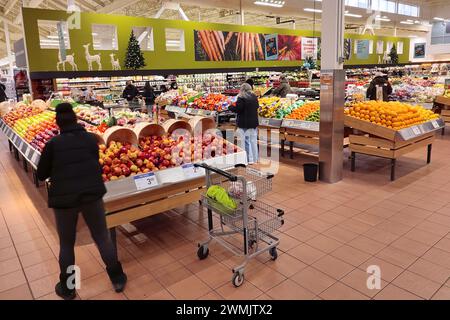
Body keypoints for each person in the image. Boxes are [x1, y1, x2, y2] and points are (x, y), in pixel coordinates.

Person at [37, 103, 127, 300]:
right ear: (76, 120)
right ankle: (117, 279)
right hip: (92, 195)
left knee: (67, 243)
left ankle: (69, 288)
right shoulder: (89, 139)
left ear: (58, 123)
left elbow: (41, 174)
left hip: (64, 199)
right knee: (102, 237)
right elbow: (95, 162)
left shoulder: (53, 144)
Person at [229, 83, 259, 164]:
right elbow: (257, 107)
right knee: (253, 141)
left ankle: (249, 160)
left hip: (244, 123)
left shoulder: (241, 98)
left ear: (242, 89)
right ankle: (255, 159)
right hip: (254, 123)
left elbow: (238, 109)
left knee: (246, 141)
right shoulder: (254, 97)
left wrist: (230, 106)